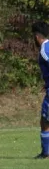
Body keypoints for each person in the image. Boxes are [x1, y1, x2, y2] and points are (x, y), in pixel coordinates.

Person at [32, 21, 49, 159]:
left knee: (45, 121)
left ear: (37, 36)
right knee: (44, 119)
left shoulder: (44, 50)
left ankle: (46, 153)